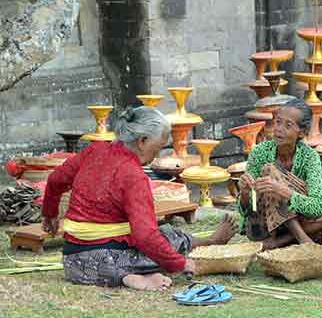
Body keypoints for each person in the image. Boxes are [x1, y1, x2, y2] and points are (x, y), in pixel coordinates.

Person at [42, 106, 237, 290]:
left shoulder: (94, 150)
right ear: (142, 141)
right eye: (157, 147)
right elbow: (145, 236)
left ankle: (124, 276)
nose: (156, 155)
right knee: (170, 239)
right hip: (110, 258)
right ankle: (133, 274)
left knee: (162, 235)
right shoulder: (133, 175)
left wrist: (49, 215)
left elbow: (55, 180)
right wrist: (179, 263)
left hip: (74, 262)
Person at [238, 98, 322, 250]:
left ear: (301, 132)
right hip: (265, 225)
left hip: (302, 220)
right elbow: (250, 210)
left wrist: (283, 191)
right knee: (269, 171)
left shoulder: (310, 157)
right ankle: (303, 238)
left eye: (287, 125)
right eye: (277, 122)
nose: (278, 129)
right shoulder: (259, 152)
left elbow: (316, 207)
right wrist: (245, 193)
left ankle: (280, 242)